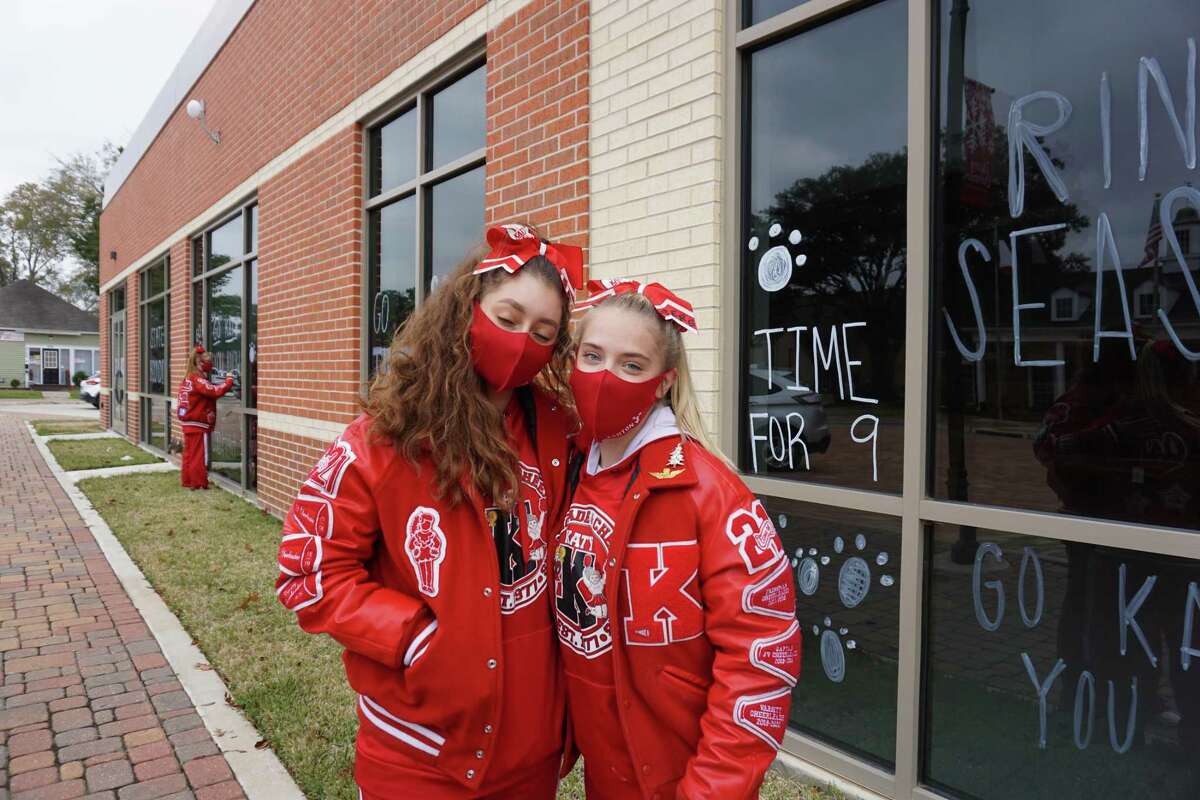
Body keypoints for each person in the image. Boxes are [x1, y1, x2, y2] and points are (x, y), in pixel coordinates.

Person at [275, 224, 582, 799]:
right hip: (419, 752)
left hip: (534, 749)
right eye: (508, 318)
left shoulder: (559, 430)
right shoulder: (383, 439)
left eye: (543, 332)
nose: (522, 342)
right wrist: (415, 639)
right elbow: (308, 572)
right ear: (466, 308)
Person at [554, 279, 801, 800]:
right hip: (605, 776)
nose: (604, 377)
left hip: (684, 781)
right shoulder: (570, 469)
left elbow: (761, 658)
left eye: (631, 365)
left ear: (664, 381)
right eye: (593, 356)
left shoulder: (711, 493)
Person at [176, 345, 234, 490]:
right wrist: (228, 382)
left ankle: (188, 480)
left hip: (188, 422)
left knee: (189, 454)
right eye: (207, 361)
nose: (210, 364)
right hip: (197, 423)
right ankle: (199, 483)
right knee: (199, 455)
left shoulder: (188, 378)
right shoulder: (197, 379)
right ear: (199, 362)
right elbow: (214, 391)